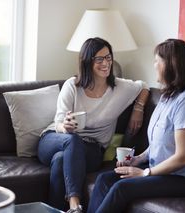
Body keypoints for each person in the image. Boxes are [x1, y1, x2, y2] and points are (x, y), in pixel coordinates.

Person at [87, 38, 185, 213]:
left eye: (157, 61)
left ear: (171, 65)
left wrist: (145, 173)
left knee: (122, 188)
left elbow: (182, 157)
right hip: (166, 172)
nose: (154, 65)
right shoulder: (168, 96)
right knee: (104, 180)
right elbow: (160, 142)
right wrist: (138, 159)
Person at [37, 37, 150, 213]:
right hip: (55, 138)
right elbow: (59, 122)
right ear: (87, 61)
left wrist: (139, 108)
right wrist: (64, 127)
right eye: (99, 59)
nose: (106, 63)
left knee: (60, 161)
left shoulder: (120, 88)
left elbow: (144, 86)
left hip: (92, 150)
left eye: (108, 58)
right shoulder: (73, 86)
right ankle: (75, 205)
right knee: (72, 140)